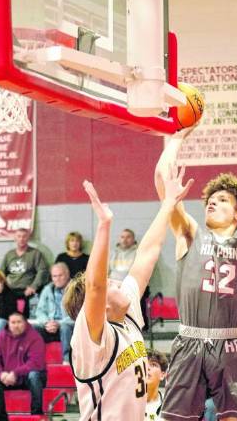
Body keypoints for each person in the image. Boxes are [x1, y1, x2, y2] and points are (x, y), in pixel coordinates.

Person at [155, 128, 237, 421]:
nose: (212, 202)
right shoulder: (190, 234)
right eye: (211, 198)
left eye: (222, 199)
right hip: (189, 341)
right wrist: (175, 142)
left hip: (231, 344)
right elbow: (162, 180)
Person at [63, 168, 192, 421]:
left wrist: (168, 203)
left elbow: (147, 253)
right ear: (98, 307)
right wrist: (105, 224)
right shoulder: (90, 339)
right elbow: (95, 286)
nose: (118, 283)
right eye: (112, 284)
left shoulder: (127, 313)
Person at [0, 311, 46, 414]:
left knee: (34, 375)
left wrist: (15, 373)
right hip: (7, 378)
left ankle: (37, 413)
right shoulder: (1, 337)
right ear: (8, 324)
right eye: (13, 322)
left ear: (25, 323)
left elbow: (36, 362)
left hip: (26, 377)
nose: (16, 325)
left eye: (19, 322)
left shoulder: (35, 337)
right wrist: (0, 374)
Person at [0, 228, 50, 317]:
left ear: (28, 238)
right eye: (19, 236)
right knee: (7, 311)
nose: (21, 239)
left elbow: (42, 271)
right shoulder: (9, 255)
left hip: (28, 289)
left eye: (24, 236)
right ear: (15, 238)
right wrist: (0, 285)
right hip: (11, 289)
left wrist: (33, 286)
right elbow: (1, 273)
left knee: (29, 312)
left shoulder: (35, 253)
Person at [33, 262, 74, 363]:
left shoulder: (75, 289)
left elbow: (77, 314)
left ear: (67, 274)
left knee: (65, 327)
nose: (57, 279)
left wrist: (59, 323)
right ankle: (36, 361)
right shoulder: (48, 289)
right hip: (50, 326)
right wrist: (47, 322)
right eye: (54, 276)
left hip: (68, 326)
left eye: (60, 275)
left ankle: (67, 361)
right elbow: (40, 311)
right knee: (33, 329)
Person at [145, 349, 168, 421]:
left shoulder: (171, 406)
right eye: (144, 363)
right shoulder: (125, 402)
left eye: (153, 365)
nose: (147, 368)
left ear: (162, 374)